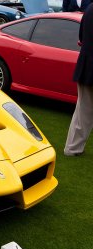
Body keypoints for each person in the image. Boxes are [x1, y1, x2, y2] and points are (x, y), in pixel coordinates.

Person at [64, 4, 93, 156]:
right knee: (84, 110)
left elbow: (81, 39)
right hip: (89, 66)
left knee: (83, 110)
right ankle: (73, 148)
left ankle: (72, 148)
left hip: (86, 66)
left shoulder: (89, 9)